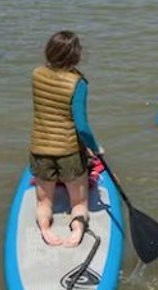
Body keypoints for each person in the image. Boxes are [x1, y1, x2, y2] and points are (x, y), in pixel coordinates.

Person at [29, 31, 103, 248]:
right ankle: (77, 230)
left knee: (44, 201)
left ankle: (44, 228)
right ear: (76, 56)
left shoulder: (36, 74)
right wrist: (94, 148)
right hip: (69, 153)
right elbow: (82, 126)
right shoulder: (78, 83)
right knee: (79, 202)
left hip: (40, 149)